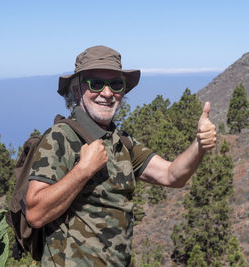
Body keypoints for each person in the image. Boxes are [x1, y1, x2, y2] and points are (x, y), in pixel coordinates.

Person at [25, 45, 217, 266]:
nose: (107, 93)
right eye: (96, 84)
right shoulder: (60, 138)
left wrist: (199, 145)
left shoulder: (121, 141)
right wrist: (83, 171)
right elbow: (35, 213)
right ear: (77, 90)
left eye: (116, 84)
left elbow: (172, 175)